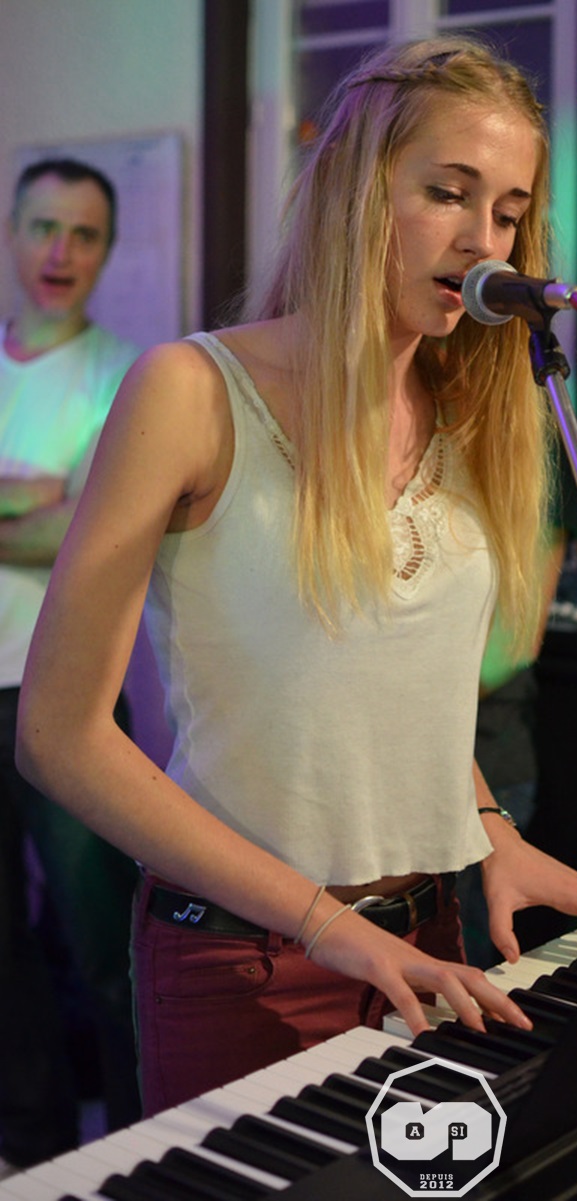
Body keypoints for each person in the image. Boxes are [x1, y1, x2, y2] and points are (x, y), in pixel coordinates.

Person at [17, 36, 577, 1121]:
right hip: (244, 963)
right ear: (358, 190)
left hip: (425, 941)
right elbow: (58, 735)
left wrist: (492, 830)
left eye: (507, 212)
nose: (483, 240)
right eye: (446, 193)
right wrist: (326, 924)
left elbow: (391, 699)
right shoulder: (189, 391)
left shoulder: (468, 415)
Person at [0, 157, 141, 1167]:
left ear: (106, 250)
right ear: (12, 233)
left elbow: (82, 533)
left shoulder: (125, 375)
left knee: (107, 947)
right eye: (44, 227)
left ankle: (140, 1143)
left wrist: (63, 508)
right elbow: (50, 517)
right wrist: (39, 495)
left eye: (83, 234)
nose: (61, 251)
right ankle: (31, 1142)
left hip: (70, 697)